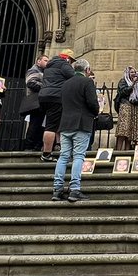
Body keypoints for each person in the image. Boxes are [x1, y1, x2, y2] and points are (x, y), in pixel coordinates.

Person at [53, 58, 99, 202]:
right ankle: (74, 189)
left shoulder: (65, 84)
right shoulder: (87, 82)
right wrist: (96, 111)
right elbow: (92, 103)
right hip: (81, 124)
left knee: (64, 156)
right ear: (87, 70)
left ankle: (57, 189)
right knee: (79, 156)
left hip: (65, 124)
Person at [38, 49, 76, 162]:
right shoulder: (64, 64)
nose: (71, 63)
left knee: (51, 124)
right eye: (72, 61)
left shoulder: (50, 65)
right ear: (68, 58)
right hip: (56, 97)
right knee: (51, 126)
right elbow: (74, 78)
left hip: (44, 96)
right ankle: (46, 154)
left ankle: (52, 150)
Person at [114, 66, 138, 151]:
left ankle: (127, 153)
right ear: (127, 73)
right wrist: (133, 83)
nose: (134, 74)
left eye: (135, 72)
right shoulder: (123, 81)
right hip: (125, 106)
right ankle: (118, 152)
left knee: (131, 132)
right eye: (132, 72)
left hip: (135, 107)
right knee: (123, 130)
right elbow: (123, 92)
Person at [17, 55, 48, 152]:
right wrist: (46, 87)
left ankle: (36, 146)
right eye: (45, 60)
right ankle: (29, 146)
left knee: (40, 124)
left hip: (41, 101)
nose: (47, 62)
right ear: (38, 61)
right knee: (35, 123)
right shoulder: (33, 70)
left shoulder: (43, 72)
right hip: (36, 101)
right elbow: (31, 83)